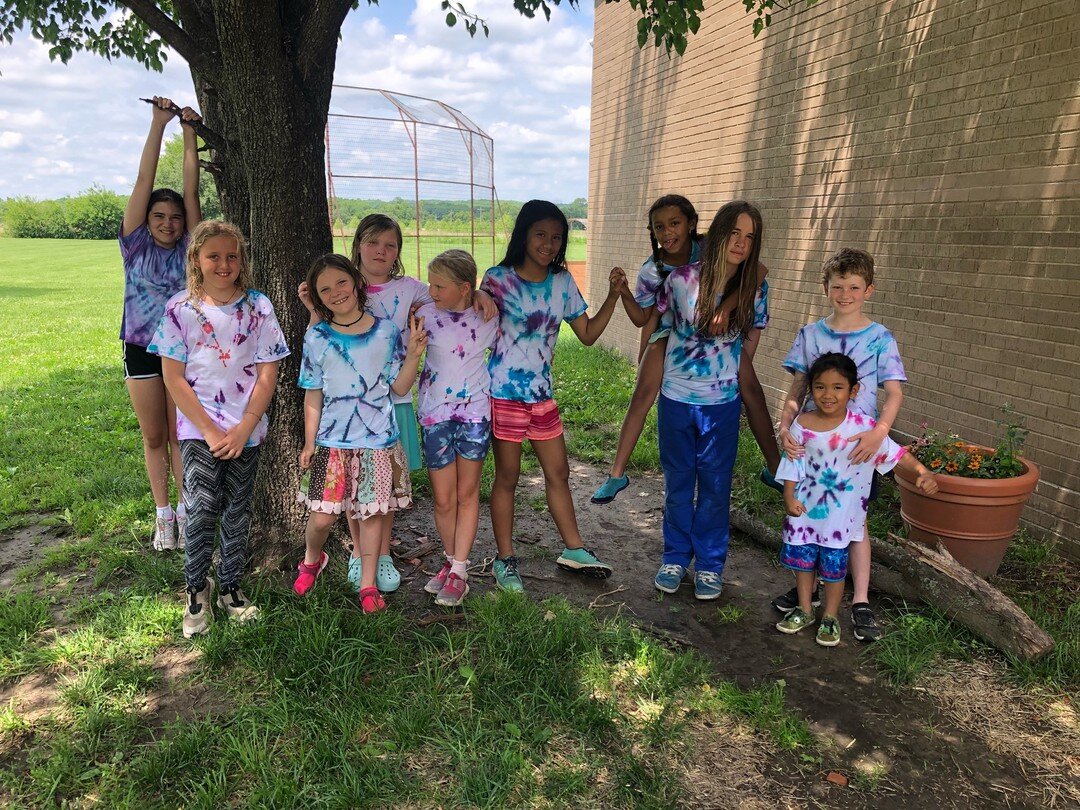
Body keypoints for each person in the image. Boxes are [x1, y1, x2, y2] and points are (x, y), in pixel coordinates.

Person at [298, 214, 495, 594]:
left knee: (379, 488)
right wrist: (312, 309)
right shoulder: (342, 285)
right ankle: (359, 554)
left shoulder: (413, 289)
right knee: (353, 487)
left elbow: (451, 293)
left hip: (395, 400)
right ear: (357, 245)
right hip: (343, 415)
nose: (381, 251)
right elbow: (320, 347)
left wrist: (480, 294)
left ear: (399, 253)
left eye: (390, 245)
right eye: (373, 243)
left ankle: (381, 555)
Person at [592, 195, 781, 504]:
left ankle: (774, 468)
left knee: (752, 390)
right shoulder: (652, 270)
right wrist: (624, 293)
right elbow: (644, 318)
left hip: (721, 335)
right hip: (671, 330)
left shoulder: (711, 246)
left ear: (692, 224)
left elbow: (757, 271)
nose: (667, 233)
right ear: (652, 232)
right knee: (642, 394)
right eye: (659, 227)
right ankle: (617, 473)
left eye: (675, 223)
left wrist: (728, 308)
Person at [148, 221, 289, 637]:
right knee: (202, 506)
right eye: (214, 256)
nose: (224, 264)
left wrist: (245, 426)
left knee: (237, 509)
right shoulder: (179, 309)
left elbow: (268, 373)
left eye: (232, 256)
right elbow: (173, 378)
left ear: (242, 260)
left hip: (247, 430)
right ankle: (196, 588)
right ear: (197, 260)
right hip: (199, 430)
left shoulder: (259, 307)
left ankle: (230, 586)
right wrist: (208, 429)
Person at [481, 200, 624, 592]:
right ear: (524, 234)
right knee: (507, 477)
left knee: (558, 473)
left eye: (557, 236)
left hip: (542, 395)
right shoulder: (498, 279)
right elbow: (473, 329)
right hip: (504, 393)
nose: (548, 243)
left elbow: (588, 335)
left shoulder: (561, 282)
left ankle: (574, 549)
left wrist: (612, 296)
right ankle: (505, 560)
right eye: (541, 234)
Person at [771, 247, 908, 642]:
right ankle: (808, 591)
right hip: (814, 442)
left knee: (854, 522)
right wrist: (785, 425)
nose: (845, 294)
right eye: (837, 286)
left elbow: (894, 393)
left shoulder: (880, 337)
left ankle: (860, 599)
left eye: (853, 287)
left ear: (869, 290)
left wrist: (880, 431)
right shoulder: (810, 334)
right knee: (807, 514)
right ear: (825, 288)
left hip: (858, 444)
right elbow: (798, 386)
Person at [293, 254, 426, 614]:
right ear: (318, 298)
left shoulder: (385, 331)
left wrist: (413, 355)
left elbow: (398, 387)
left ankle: (368, 585)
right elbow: (313, 394)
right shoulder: (317, 336)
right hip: (330, 443)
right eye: (325, 289)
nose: (336, 292)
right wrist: (309, 442)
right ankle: (311, 560)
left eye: (341, 282)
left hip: (377, 443)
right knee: (321, 517)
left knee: (370, 515)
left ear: (355, 282)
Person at [775, 353, 937, 646]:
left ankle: (831, 616)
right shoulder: (802, 424)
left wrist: (921, 472)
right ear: (811, 389)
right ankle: (805, 609)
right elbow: (793, 463)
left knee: (835, 570)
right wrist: (788, 495)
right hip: (805, 514)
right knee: (803, 565)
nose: (828, 394)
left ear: (854, 391)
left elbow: (896, 453)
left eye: (838, 387)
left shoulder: (864, 429)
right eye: (820, 387)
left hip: (841, 520)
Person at [652, 200, 768, 600]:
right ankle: (674, 556)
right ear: (718, 233)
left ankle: (710, 565)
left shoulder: (756, 289)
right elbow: (657, 333)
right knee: (679, 483)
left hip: (722, 403)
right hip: (676, 398)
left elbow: (750, 345)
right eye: (734, 233)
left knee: (716, 487)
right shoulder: (681, 280)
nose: (741, 243)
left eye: (749, 237)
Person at [120, 96, 202, 551]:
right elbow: (144, 179)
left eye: (174, 218)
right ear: (147, 219)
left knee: (178, 436)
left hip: (183, 352)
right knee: (154, 436)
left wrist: (188, 132)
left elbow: (190, 195)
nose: (169, 223)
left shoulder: (192, 248)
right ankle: (163, 514)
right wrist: (158, 124)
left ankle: (188, 509)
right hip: (139, 347)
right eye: (160, 217)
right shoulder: (134, 246)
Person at [414, 250, 498, 606]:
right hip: (435, 415)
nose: (432, 291)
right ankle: (450, 564)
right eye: (431, 284)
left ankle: (460, 571)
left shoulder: (490, 316)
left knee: (468, 494)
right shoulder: (423, 314)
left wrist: (484, 295)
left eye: (440, 286)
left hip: (476, 415)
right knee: (444, 498)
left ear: (465, 288)